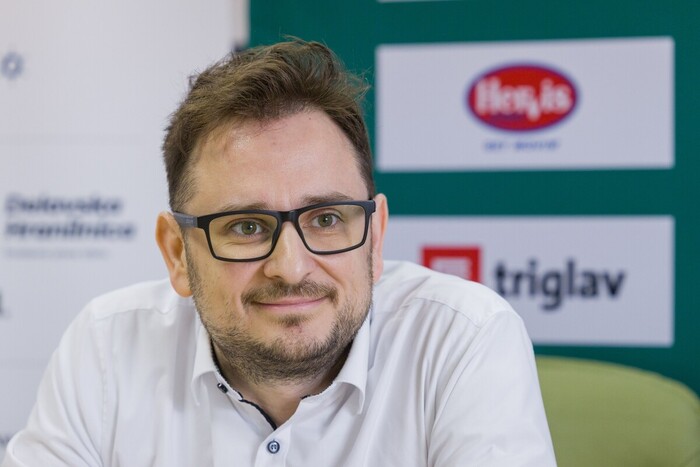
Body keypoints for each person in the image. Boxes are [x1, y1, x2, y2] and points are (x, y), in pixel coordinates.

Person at [2, 39, 557, 466]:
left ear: (376, 235)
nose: (291, 267)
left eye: (327, 219)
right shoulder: (106, 348)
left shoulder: (462, 340)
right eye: (246, 227)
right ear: (177, 254)